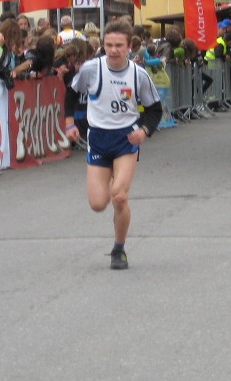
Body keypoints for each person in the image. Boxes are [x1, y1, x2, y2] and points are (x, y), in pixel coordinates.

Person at [64, 21, 162, 270]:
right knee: (98, 204)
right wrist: (69, 123)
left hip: (125, 140)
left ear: (130, 47)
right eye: (109, 45)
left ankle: (119, 249)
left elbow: (154, 109)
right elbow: (71, 93)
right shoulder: (91, 69)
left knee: (119, 197)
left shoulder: (138, 74)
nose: (114, 50)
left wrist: (145, 131)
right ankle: (108, 180)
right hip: (97, 140)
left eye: (119, 45)